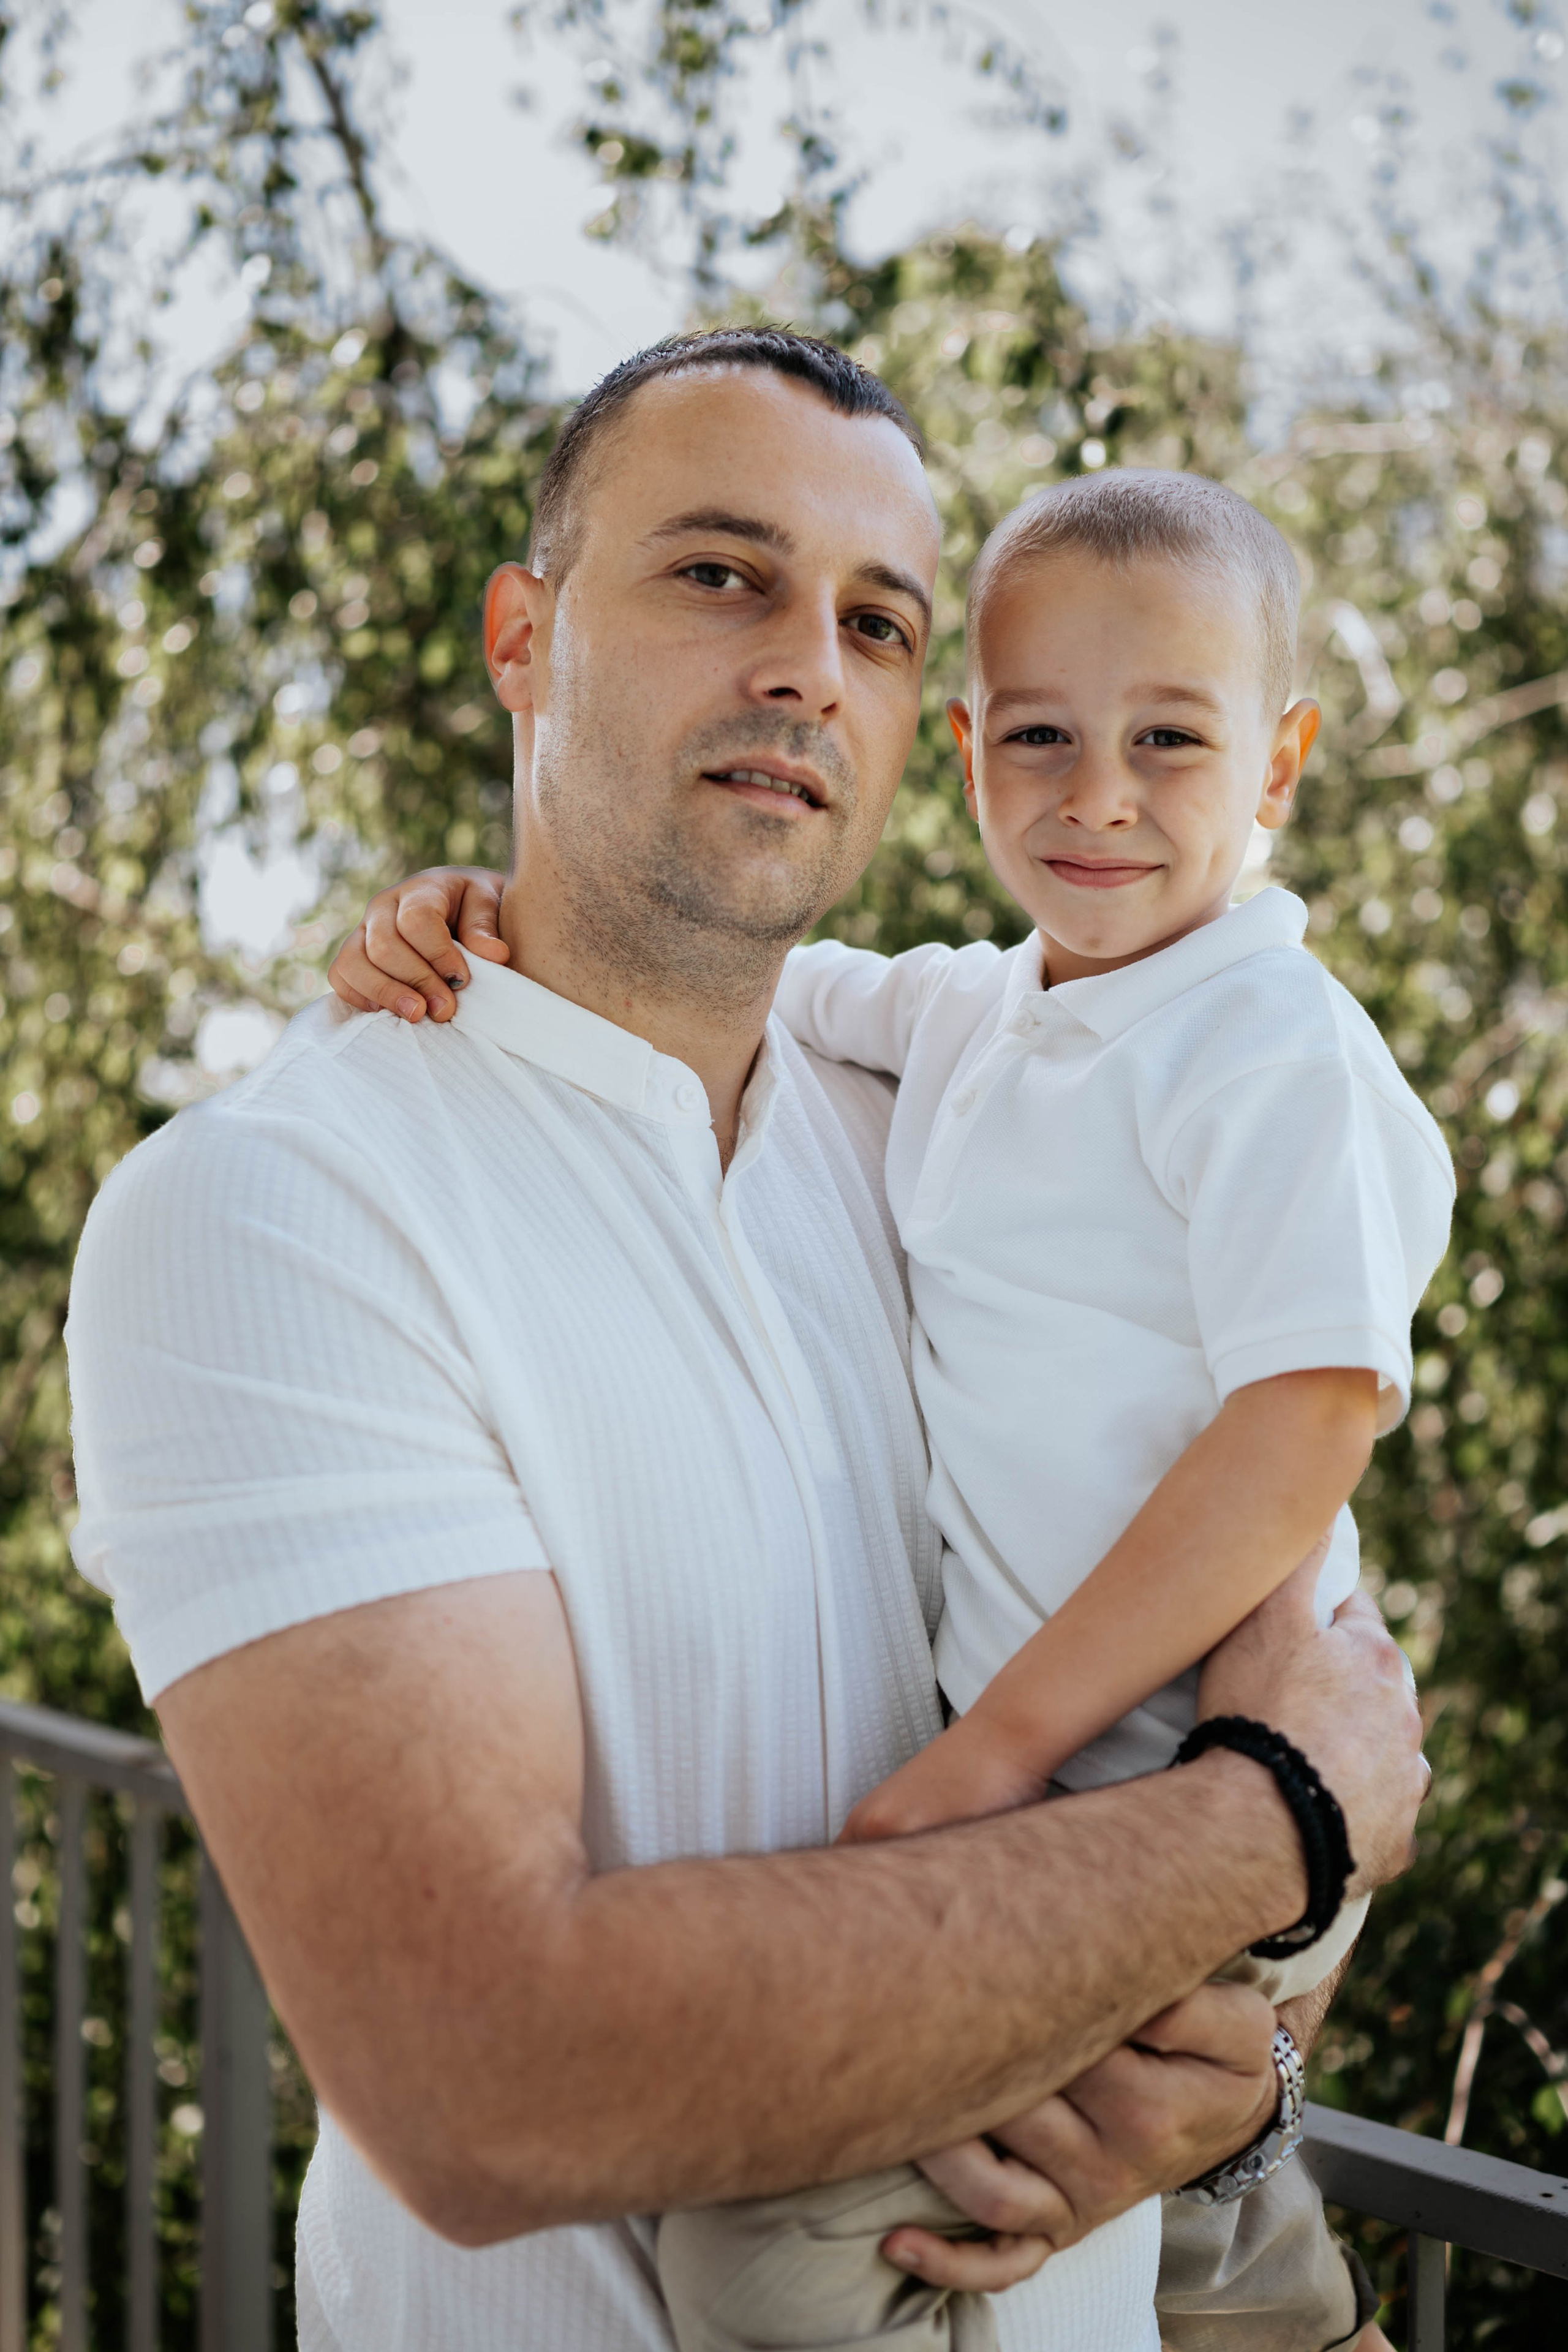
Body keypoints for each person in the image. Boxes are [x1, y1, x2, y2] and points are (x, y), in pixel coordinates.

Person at [67, 331, 1427, 2352]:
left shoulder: (943, 1118)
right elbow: (485, 2071)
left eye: (877, 623)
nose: (808, 665)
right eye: (722, 576)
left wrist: (1228, 2098)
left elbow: (1267, 1527)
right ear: (526, 636)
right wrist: (1267, 1831)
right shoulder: (278, 1210)